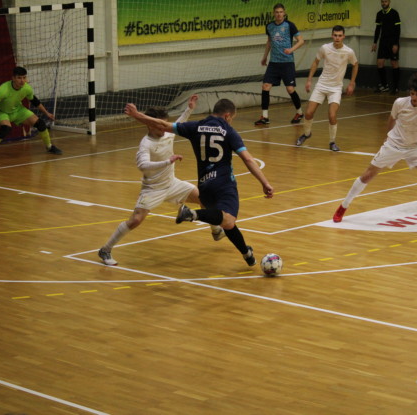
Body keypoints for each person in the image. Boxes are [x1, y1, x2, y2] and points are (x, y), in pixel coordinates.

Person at [125, 98, 274, 266]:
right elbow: (248, 159)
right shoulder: (229, 131)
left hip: (205, 186)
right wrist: (265, 182)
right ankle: (192, 214)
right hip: (223, 184)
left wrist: (137, 115)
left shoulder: (195, 127)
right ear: (227, 116)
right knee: (228, 219)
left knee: (226, 222)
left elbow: (162, 125)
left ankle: (247, 255)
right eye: (231, 118)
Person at [98, 95, 225, 266]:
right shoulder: (146, 143)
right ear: (150, 124)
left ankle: (216, 231)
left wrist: (189, 109)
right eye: (160, 125)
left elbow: (180, 123)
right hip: (153, 189)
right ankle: (105, 250)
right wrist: (167, 162)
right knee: (135, 220)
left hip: (172, 184)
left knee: (204, 199)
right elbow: (143, 166)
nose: (164, 128)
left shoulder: (167, 133)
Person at [332, 72, 417, 229]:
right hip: (393, 144)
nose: (414, 97)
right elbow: (391, 119)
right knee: (368, 175)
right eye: (412, 93)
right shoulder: (400, 103)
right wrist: (387, 138)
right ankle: (343, 206)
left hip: (415, 147)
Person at [0, 66, 62, 162]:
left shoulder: (27, 88)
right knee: (5, 129)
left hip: (17, 110)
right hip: (2, 112)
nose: (22, 81)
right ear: (13, 78)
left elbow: (34, 101)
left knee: (41, 123)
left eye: (24, 77)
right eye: (19, 78)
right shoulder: (3, 89)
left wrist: (47, 113)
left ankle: (49, 147)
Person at [295, 25, 358, 152]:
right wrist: (309, 80)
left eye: (340, 35)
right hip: (321, 85)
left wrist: (352, 83)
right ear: (332, 35)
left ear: (343, 36)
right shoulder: (325, 48)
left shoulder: (349, 52)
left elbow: (355, 65)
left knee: (332, 115)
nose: (337, 38)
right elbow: (315, 62)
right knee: (308, 113)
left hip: (336, 88)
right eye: (335, 35)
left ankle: (332, 142)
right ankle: (306, 134)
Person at [254, 3, 305, 126]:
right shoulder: (269, 26)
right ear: (273, 13)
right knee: (265, 86)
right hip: (274, 63)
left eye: (281, 12)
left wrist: (291, 50)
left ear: (284, 13)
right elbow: (269, 42)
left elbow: (301, 41)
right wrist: (265, 57)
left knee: (290, 89)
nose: (279, 14)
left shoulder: (289, 25)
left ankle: (299, 112)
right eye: (277, 12)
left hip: (287, 62)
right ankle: (265, 117)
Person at [372, 0, 401, 94]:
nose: (384, 3)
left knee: (394, 63)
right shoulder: (379, 14)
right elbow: (377, 29)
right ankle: (384, 86)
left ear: (389, 2)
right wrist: (375, 42)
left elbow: (398, 30)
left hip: (392, 42)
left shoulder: (394, 13)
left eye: (385, 1)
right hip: (383, 42)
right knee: (380, 63)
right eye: (382, 2)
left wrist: (396, 44)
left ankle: (395, 88)